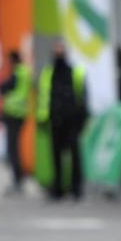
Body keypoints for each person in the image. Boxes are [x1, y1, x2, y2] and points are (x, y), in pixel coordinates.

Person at [38, 42, 86, 200]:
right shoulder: (47, 73)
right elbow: (43, 96)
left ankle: (76, 189)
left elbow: (83, 97)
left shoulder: (76, 72)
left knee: (74, 156)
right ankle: (58, 189)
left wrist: (82, 119)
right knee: (56, 156)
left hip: (72, 121)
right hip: (55, 120)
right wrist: (43, 118)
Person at [0, 51, 30, 193]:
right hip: (18, 114)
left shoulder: (18, 73)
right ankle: (18, 179)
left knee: (13, 149)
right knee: (14, 148)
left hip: (14, 115)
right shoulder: (23, 72)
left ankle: (18, 180)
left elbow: (4, 87)